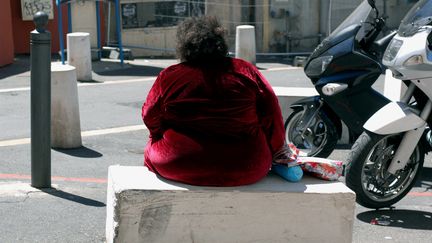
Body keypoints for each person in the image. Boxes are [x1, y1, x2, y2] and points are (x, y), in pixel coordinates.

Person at [142, 16, 287, 186]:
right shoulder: (245, 70)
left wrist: (160, 135)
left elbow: (149, 115)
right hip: (246, 166)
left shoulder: (169, 76)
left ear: (184, 47)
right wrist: (277, 150)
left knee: (151, 146)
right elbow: (272, 114)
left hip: (180, 163)